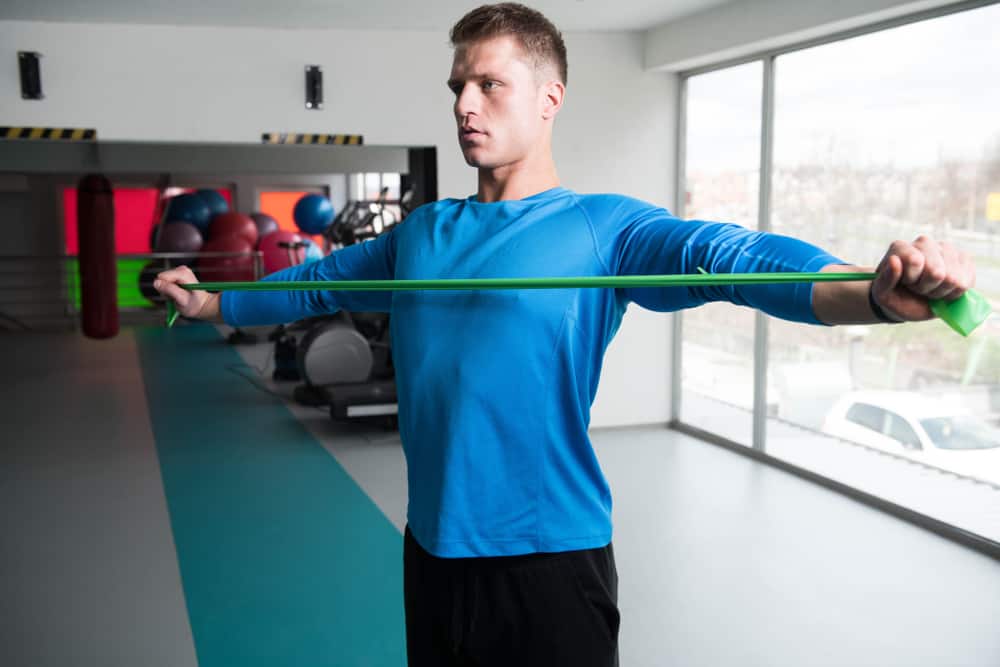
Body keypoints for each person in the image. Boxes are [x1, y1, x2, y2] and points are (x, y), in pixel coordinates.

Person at [154, 4, 976, 665]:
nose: (464, 105)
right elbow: (314, 281)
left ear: (549, 98)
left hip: (550, 559)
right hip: (432, 551)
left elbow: (730, 257)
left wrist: (868, 292)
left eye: (489, 84)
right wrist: (213, 305)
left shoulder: (601, 229)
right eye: (456, 86)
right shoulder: (424, 231)